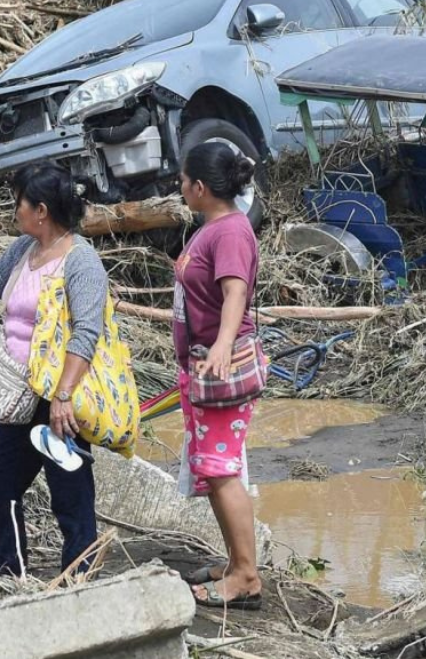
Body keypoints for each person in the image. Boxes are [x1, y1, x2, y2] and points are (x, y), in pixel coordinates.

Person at [0, 162, 108, 577]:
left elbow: (86, 332)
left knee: (70, 495)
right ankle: (9, 574)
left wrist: (63, 396)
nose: (15, 212)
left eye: (19, 204)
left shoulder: (81, 261)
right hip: (21, 395)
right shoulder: (23, 250)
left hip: (60, 396)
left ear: (41, 210)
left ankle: (79, 580)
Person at [171, 143, 265, 610]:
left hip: (220, 368)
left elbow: (235, 293)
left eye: (183, 180)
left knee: (222, 471)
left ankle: (246, 576)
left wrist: (224, 345)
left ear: (200, 187)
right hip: (203, 366)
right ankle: (235, 562)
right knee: (213, 469)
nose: (180, 186)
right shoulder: (213, 228)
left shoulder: (229, 232)